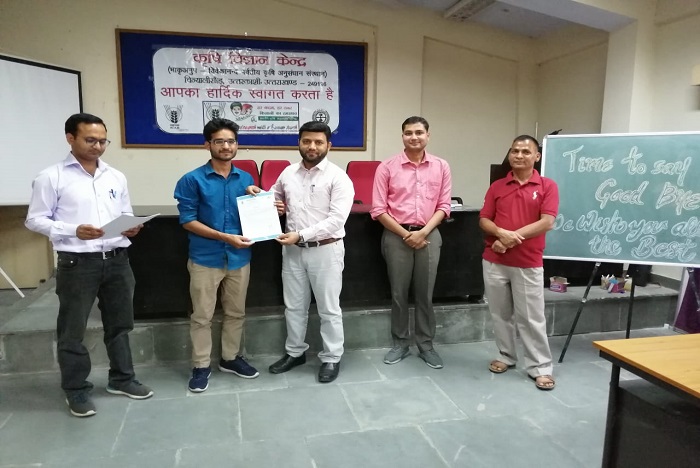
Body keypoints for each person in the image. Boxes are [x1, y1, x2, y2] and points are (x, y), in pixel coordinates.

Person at [25, 113, 153, 418]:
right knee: (73, 329)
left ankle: (122, 379)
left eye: (102, 141)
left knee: (120, 324)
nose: (97, 146)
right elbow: (34, 219)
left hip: (117, 260)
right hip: (78, 262)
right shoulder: (51, 177)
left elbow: (124, 213)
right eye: (90, 140)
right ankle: (76, 389)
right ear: (70, 138)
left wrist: (131, 227)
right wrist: (73, 230)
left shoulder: (115, 176)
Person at [261, 121, 354, 383]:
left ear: (328, 145)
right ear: (299, 143)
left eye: (318, 142)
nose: (312, 146)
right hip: (292, 251)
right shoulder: (288, 173)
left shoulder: (338, 178)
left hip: (326, 250)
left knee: (328, 308)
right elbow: (272, 198)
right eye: (307, 141)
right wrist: (266, 200)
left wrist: (301, 235)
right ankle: (295, 352)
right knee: (294, 306)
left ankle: (331, 357)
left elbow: (336, 221)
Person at [174, 118, 259, 393]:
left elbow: (253, 216)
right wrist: (224, 237)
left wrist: (267, 205)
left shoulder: (245, 179)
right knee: (202, 316)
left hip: (239, 258)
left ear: (237, 145)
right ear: (207, 144)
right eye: (219, 141)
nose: (226, 146)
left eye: (231, 141)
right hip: (205, 258)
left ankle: (230, 358)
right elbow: (188, 221)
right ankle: (201, 366)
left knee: (236, 313)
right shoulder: (192, 180)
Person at [370, 116, 452, 369]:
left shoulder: (441, 166)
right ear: (402, 136)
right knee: (399, 293)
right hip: (396, 235)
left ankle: (426, 345)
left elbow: (444, 206)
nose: (414, 137)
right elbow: (378, 209)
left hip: (429, 234)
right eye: (408, 133)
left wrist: (423, 232)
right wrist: (406, 235)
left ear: (428, 135)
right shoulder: (387, 167)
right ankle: (400, 343)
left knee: (425, 293)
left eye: (419, 132)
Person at [479, 134, 559, 391]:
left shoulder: (547, 186)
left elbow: (547, 222)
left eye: (526, 151)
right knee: (500, 314)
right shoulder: (497, 186)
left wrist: (508, 240)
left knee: (531, 318)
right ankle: (506, 355)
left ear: (536, 156)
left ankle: (540, 367)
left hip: (527, 262)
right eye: (515, 151)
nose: (519, 155)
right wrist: (500, 234)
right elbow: (484, 220)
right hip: (494, 261)